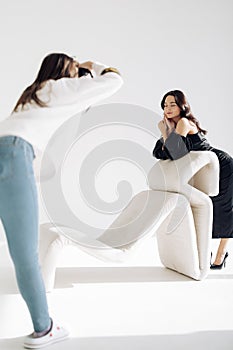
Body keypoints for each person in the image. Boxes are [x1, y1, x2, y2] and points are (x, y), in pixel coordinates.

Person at [0, 53, 123, 349]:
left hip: (9, 151)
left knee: (21, 251)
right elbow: (116, 80)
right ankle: (44, 329)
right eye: (73, 68)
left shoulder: (34, 95)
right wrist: (91, 66)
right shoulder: (58, 88)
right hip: (15, 154)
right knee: (25, 253)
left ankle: (43, 325)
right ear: (65, 70)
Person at [152, 90, 233, 270]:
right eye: (165, 105)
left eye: (172, 104)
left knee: (223, 209)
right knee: (203, 208)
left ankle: (220, 255)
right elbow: (159, 153)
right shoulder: (172, 125)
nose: (168, 108)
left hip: (220, 166)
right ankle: (205, 252)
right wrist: (167, 131)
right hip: (202, 169)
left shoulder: (183, 122)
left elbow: (175, 152)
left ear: (182, 106)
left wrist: (165, 132)